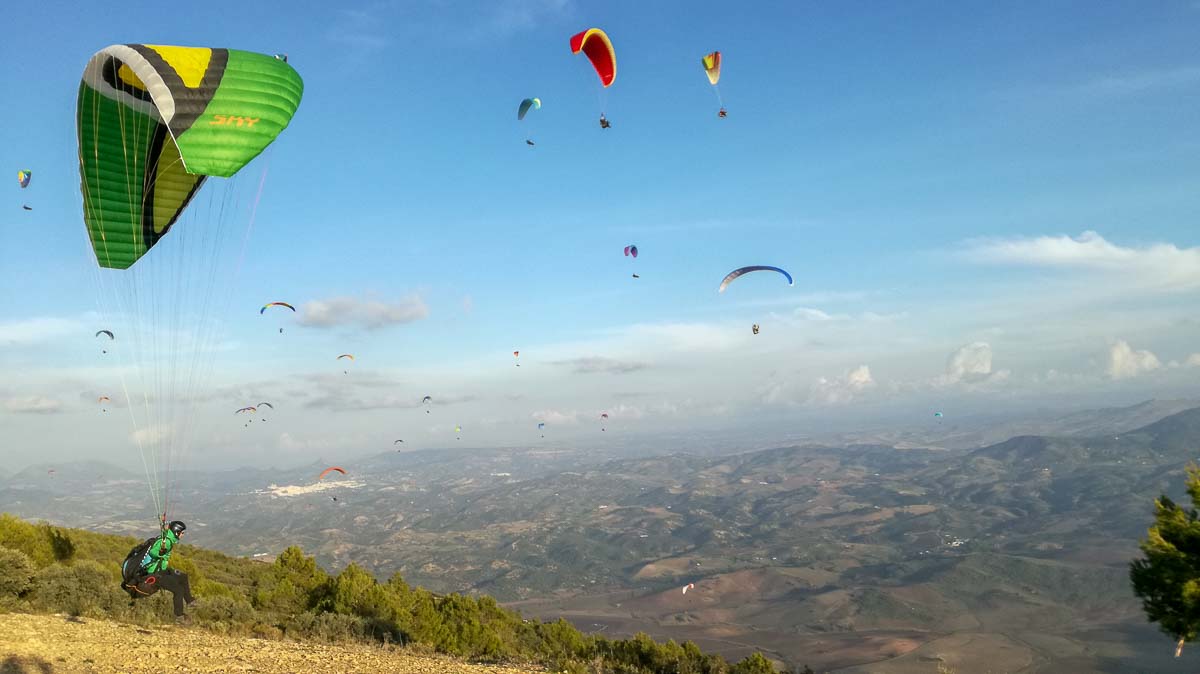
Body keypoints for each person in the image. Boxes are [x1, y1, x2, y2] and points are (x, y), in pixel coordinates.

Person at [123, 520, 195, 623]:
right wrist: (160, 552)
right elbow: (153, 552)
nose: (183, 535)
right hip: (155, 573)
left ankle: (190, 601)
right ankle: (179, 616)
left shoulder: (167, 538)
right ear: (176, 532)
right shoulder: (167, 542)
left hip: (161, 569)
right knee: (178, 590)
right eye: (182, 532)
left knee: (183, 576)